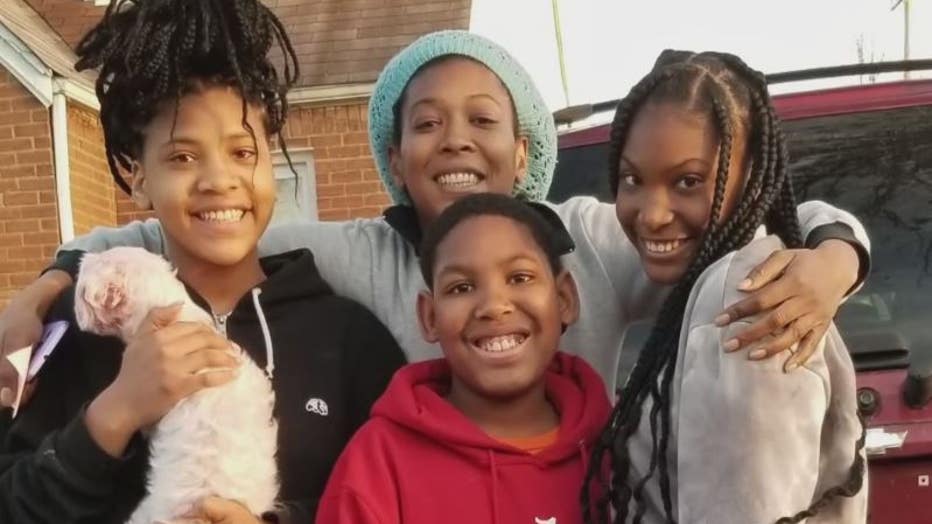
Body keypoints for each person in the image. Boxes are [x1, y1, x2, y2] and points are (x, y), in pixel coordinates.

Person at [0, 31, 870, 400]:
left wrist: (835, 258)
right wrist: (44, 289)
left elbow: (761, 219)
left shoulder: (596, 239)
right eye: (426, 124)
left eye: (482, 120)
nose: (455, 139)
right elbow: (164, 231)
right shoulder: (359, 253)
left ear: (523, 151)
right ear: (394, 157)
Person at [0, 1, 405, 523]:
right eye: (182, 157)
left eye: (242, 152)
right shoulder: (79, 331)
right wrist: (114, 414)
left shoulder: (348, 338)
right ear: (137, 175)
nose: (219, 180)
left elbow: (402, 500)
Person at [583, 50, 866, 524]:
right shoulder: (717, 281)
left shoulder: (747, 302)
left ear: (752, 176)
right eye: (633, 179)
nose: (652, 214)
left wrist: (842, 254)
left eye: (688, 182)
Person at [316, 193, 610, 524]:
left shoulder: (620, 449)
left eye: (520, 278)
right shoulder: (378, 465)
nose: (494, 306)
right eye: (461, 288)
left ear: (564, 299)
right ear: (430, 317)